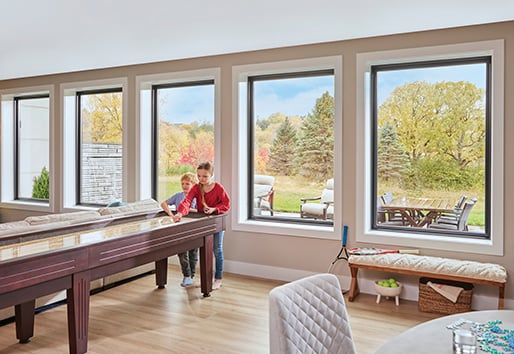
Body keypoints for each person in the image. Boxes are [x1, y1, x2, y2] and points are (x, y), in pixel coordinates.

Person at [173, 161, 230, 290]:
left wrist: (214, 209)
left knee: (217, 249)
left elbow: (226, 204)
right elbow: (187, 200)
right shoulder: (197, 188)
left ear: (212, 175)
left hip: (216, 221)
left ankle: (218, 278)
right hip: (202, 222)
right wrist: (180, 213)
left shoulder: (218, 188)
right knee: (204, 250)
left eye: (205, 176)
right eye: (199, 176)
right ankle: (207, 279)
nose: (201, 179)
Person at [161, 172, 199, 287]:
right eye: (183, 183)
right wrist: (171, 214)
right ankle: (186, 275)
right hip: (180, 228)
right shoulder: (178, 196)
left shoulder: (197, 197)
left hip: (194, 227)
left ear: (193, 184)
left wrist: (187, 209)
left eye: (187, 184)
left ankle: (191, 276)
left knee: (193, 253)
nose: (184, 186)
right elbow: (164, 203)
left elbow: (200, 211)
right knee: (182, 252)